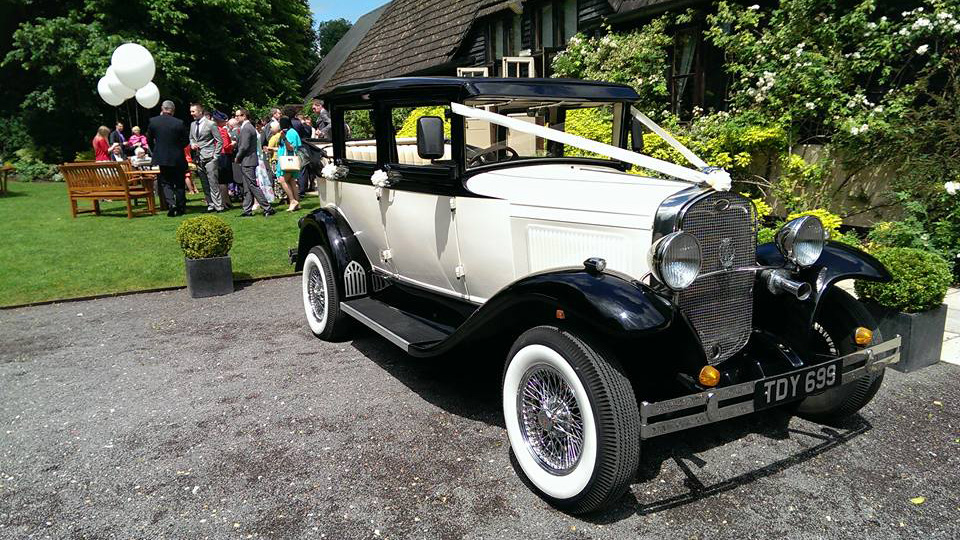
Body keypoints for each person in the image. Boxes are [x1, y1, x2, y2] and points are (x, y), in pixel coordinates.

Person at [146, 100, 189, 217]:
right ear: (173, 110)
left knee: (166, 182)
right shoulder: (179, 123)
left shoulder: (153, 122)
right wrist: (177, 148)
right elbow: (186, 140)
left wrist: (156, 149)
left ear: (162, 108)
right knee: (179, 183)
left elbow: (148, 140)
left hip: (162, 157)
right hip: (177, 157)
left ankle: (171, 204)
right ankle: (180, 207)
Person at [234, 108, 274, 217]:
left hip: (248, 160)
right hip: (248, 160)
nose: (236, 117)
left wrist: (238, 157)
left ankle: (267, 208)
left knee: (252, 185)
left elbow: (244, 146)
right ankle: (247, 209)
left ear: (244, 116)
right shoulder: (247, 127)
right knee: (247, 186)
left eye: (238, 115)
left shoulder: (247, 128)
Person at [188, 103, 225, 212]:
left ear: (200, 112)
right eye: (191, 111)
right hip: (198, 158)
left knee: (213, 182)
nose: (191, 114)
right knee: (204, 183)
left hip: (210, 157)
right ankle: (210, 204)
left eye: (193, 111)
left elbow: (219, 141)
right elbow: (191, 138)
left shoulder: (211, 124)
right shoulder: (192, 125)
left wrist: (215, 156)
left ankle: (219, 206)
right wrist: (192, 144)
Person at [275, 116, 303, 212]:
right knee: (291, 181)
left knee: (282, 179)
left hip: (287, 161)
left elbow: (291, 147)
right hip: (289, 160)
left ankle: (292, 200)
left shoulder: (290, 133)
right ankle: (297, 202)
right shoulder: (292, 132)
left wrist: (284, 138)